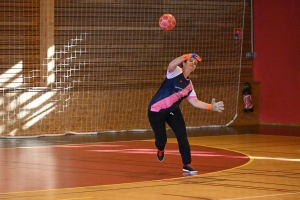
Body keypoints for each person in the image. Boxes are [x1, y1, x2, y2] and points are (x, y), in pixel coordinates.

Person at [148, 53, 225, 174]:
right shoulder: (175, 72)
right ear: (184, 63)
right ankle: (160, 148)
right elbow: (171, 64)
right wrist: (187, 55)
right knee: (161, 139)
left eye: (194, 63)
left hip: (173, 110)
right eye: (190, 61)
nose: (193, 64)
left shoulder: (189, 86)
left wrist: (212, 107)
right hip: (156, 110)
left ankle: (187, 164)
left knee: (182, 136)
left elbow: (195, 102)